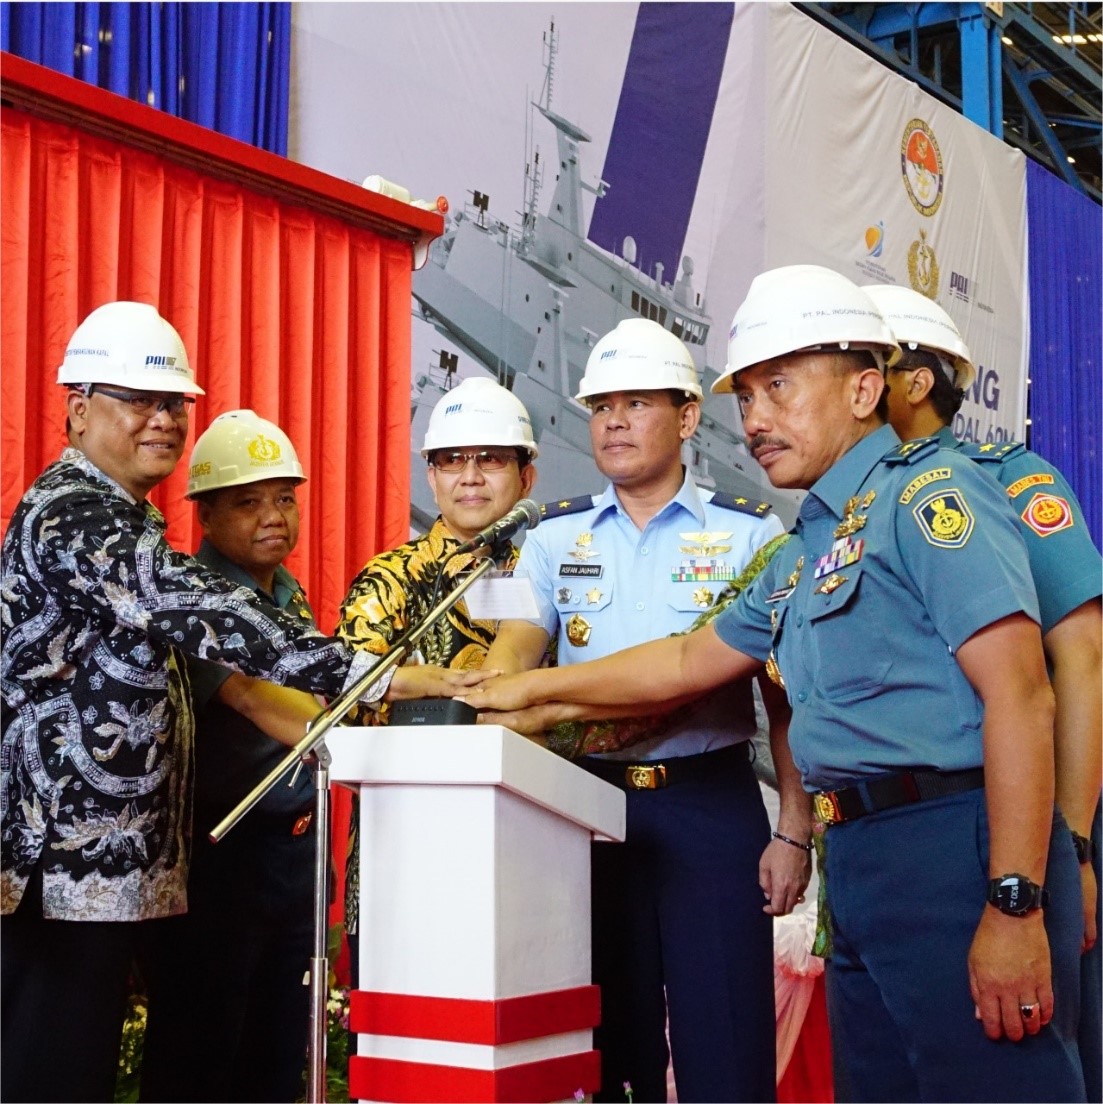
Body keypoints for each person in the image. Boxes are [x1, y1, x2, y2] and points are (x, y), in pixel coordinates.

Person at [461, 267, 1086, 1103]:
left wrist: (1013, 901)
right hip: (861, 857)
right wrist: (517, 693)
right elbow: (688, 661)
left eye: (780, 388)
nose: (755, 419)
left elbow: (1022, 694)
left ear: (866, 388)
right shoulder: (805, 547)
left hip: (954, 844)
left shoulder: (930, 498)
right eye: (746, 395)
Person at [0, 302, 486, 1103]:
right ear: (79, 409)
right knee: (54, 1072)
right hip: (62, 868)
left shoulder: (121, 516)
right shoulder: (76, 514)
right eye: (137, 401)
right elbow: (209, 612)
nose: (161, 420)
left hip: (104, 874)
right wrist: (384, 675)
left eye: (174, 405)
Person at [480, 317, 810, 1104]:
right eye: (601, 407)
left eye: (635, 403)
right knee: (600, 1043)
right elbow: (515, 653)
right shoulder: (551, 538)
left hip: (708, 805)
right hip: (586, 807)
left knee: (724, 1044)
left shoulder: (747, 533)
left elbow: (783, 702)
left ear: (688, 417)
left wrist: (792, 830)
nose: (614, 422)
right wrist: (492, 690)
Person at [864, 282, 1103, 1101]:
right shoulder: (849, 514)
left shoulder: (1007, 478)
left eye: (867, 361)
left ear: (916, 380)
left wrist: (1070, 844)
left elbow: (1082, 662)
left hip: (1020, 826)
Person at [136, 410, 325, 1101]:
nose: (273, 516)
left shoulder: (286, 594)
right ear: (206, 517)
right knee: (202, 1052)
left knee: (276, 1053)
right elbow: (256, 697)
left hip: (292, 855)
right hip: (221, 858)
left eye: (284, 498)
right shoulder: (198, 598)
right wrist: (358, 729)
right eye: (248, 502)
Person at [335, 375, 539, 981]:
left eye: (491, 460)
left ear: (527, 476)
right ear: (430, 476)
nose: (469, 477)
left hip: (531, 847)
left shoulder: (552, 576)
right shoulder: (392, 577)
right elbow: (350, 697)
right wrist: (456, 690)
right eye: (451, 461)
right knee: (399, 1047)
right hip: (406, 845)